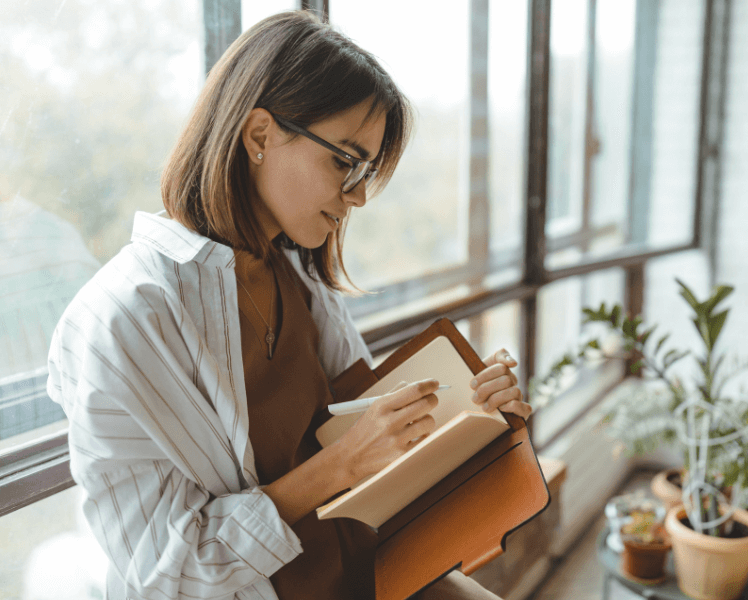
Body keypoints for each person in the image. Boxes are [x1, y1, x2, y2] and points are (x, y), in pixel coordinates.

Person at [46, 11, 531, 600]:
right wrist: (339, 468)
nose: (355, 197)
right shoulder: (122, 321)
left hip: (372, 569)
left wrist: (475, 413)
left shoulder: (296, 276)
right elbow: (165, 576)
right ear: (259, 136)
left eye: (366, 171)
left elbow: (375, 436)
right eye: (344, 161)